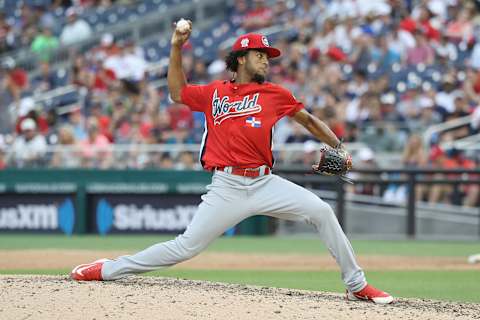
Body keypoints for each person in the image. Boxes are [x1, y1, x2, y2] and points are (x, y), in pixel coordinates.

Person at [70, 22, 393, 304]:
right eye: (259, 54)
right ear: (241, 58)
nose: (266, 59)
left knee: (322, 211)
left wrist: (338, 145)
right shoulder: (214, 93)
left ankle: (357, 285)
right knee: (185, 248)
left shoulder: (275, 94)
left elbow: (307, 120)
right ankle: (108, 269)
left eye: (267, 55)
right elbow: (177, 93)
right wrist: (176, 47)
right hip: (227, 186)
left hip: (266, 182)